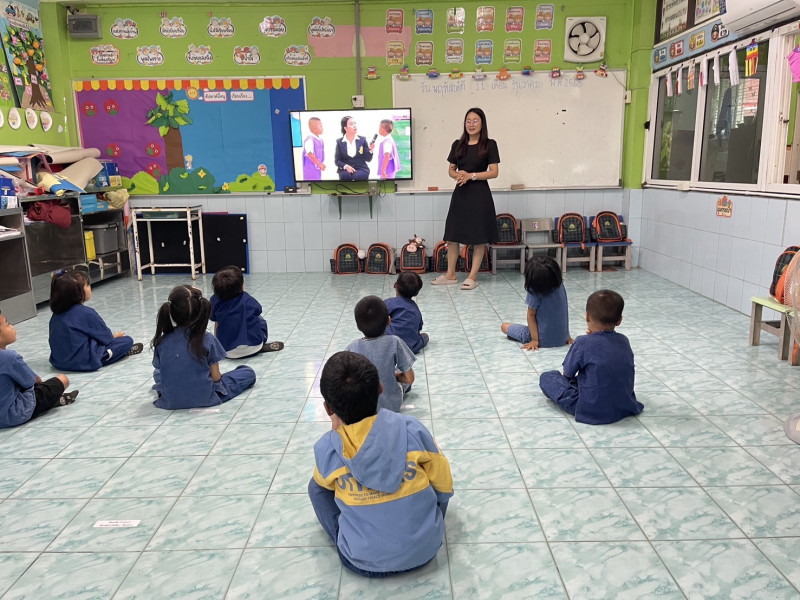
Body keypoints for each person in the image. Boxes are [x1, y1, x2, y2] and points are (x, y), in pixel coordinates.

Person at [308, 351, 453, 577]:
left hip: (361, 561)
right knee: (435, 479)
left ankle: (354, 538)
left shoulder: (327, 447)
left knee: (316, 487)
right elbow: (445, 486)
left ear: (328, 409)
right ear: (381, 388)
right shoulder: (412, 429)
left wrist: (337, 437)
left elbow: (325, 486)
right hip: (427, 550)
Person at [539, 289, 643, 425]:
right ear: (619, 320)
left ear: (587, 316)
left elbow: (567, 374)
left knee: (547, 377)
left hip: (589, 408)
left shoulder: (582, 342)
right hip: (624, 405)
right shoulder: (624, 340)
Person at [151, 285, 256, 410]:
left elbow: (159, 368)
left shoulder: (162, 341)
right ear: (201, 311)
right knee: (247, 372)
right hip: (206, 397)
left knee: (158, 373)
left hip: (170, 400)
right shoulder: (207, 339)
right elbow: (216, 377)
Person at [431, 107, 499, 291]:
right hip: (460, 193)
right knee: (452, 235)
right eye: (468, 121)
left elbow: (494, 172)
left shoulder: (489, 144)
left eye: (475, 121)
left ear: (482, 124)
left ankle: (472, 277)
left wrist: (472, 176)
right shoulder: (458, 144)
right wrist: (458, 175)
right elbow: (451, 169)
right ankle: (450, 275)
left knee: (478, 237)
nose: (471, 124)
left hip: (480, 195)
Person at [48, 270, 143, 371]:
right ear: (78, 293)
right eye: (87, 285)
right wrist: (114, 336)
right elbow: (107, 338)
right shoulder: (86, 313)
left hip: (58, 362)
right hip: (83, 362)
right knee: (127, 341)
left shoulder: (55, 315)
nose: (90, 287)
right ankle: (120, 353)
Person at [0, 309, 79, 428]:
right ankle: (53, 400)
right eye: (7, 324)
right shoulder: (9, 358)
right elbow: (33, 381)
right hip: (13, 415)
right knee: (62, 379)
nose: (11, 326)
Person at [345, 295, 415, 411]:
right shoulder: (395, 342)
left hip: (362, 409)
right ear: (388, 320)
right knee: (400, 375)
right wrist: (393, 376)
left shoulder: (352, 348)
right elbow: (409, 378)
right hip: (392, 405)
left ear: (358, 326)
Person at [210, 265, 284, 358]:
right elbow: (258, 310)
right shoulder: (246, 299)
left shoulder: (214, 301)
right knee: (259, 319)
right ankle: (260, 345)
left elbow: (212, 317)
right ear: (242, 287)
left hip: (226, 352)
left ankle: (218, 348)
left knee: (218, 322)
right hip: (254, 347)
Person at [501, 256, 572, 350]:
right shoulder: (560, 286)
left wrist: (535, 340)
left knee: (504, 326)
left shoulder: (535, 290)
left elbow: (531, 316)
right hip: (562, 338)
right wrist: (567, 336)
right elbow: (563, 311)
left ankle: (528, 337)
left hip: (541, 339)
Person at [385, 272, 429, 354]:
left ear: (395, 284)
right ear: (416, 293)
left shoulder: (390, 302)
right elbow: (418, 328)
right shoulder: (415, 307)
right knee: (425, 336)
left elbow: (377, 315)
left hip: (390, 344)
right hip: (411, 347)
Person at [334, 115, 374, 181]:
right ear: (345, 128)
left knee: (358, 176)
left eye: (355, 123)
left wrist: (371, 150)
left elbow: (368, 159)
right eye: (351, 124)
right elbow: (337, 160)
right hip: (345, 170)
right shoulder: (340, 142)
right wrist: (346, 166)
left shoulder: (362, 140)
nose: (355, 126)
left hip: (361, 168)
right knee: (345, 176)